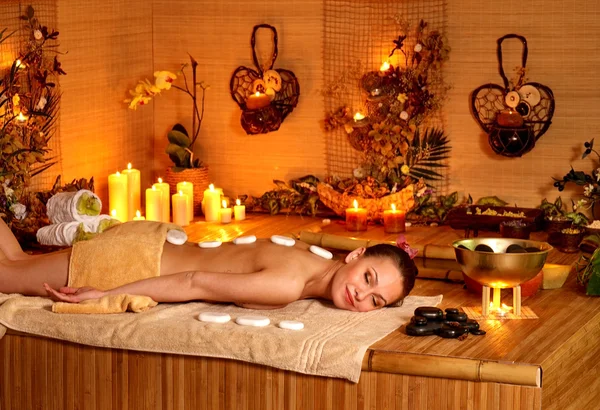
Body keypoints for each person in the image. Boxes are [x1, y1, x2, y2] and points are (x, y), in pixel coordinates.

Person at [0, 218, 418, 312]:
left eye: (376, 301)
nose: (362, 295)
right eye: (368, 278)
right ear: (357, 255)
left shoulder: (311, 256)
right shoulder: (287, 285)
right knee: (7, 275)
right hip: (131, 263)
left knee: (17, 259)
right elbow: (194, 280)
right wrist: (106, 294)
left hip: (152, 240)